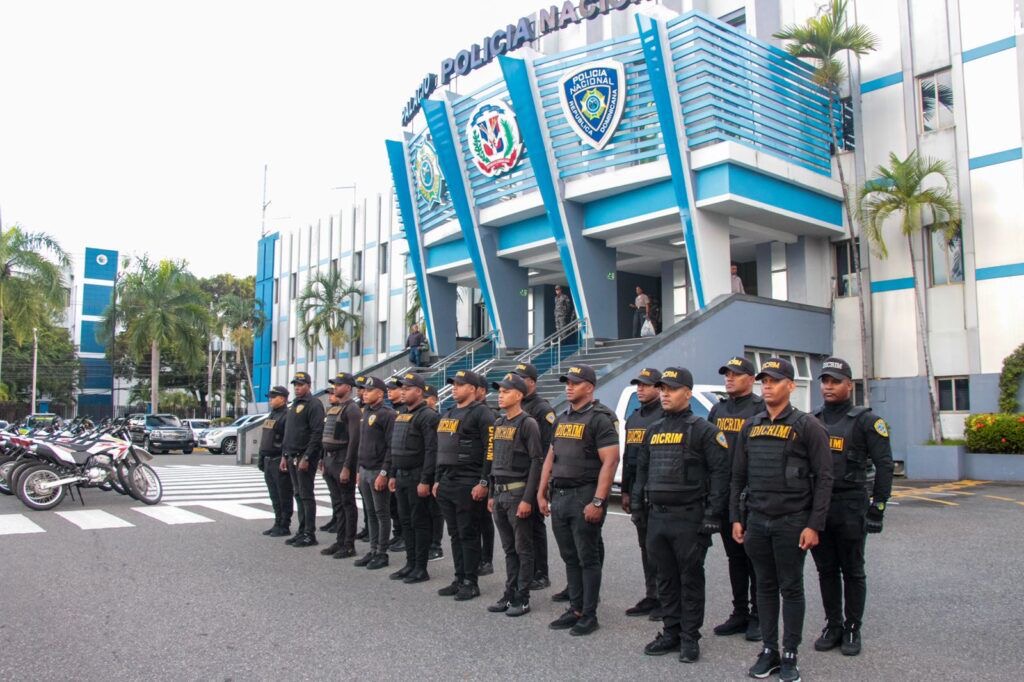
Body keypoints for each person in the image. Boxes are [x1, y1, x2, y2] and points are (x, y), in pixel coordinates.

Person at [730, 358, 833, 682]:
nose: (768, 386)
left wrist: (814, 525)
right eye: (765, 381)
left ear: (790, 386)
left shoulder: (808, 425)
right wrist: (736, 518)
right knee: (764, 586)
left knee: (791, 587)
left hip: (792, 521)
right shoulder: (751, 425)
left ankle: (790, 654)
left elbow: (825, 478)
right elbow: (738, 477)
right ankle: (769, 650)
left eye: (774, 381)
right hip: (757, 520)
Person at [635, 367, 730, 663]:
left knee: (690, 580)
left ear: (687, 393)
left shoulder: (704, 430)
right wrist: (638, 508)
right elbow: (642, 472)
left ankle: (690, 637)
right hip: (657, 518)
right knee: (665, 579)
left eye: (671, 389)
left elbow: (720, 474)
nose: (665, 394)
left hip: (689, 518)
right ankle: (670, 632)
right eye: (662, 389)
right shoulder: (653, 431)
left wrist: (713, 514)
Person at [810, 357, 894, 657]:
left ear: (849, 385)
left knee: (853, 570)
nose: (828, 387)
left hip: (850, 505)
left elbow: (885, 466)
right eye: (825, 381)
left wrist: (878, 508)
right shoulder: (812, 419)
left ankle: (852, 627)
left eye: (835, 382)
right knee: (826, 570)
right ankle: (833, 625)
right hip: (820, 507)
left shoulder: (867, 421)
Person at [537, 364, 619, 636]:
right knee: (570, 557)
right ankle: (575, 608)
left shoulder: (601, 418)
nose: (569, 387)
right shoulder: (562, 418)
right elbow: (551, 456)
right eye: (567, 382)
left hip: (584, 494)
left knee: (587, 557)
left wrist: (598, 501)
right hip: (560, 495)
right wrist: (541, 491)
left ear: (590, 387)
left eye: (575, 382)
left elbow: (610, 461)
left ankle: (589, 614)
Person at [708, 356, 764, 641]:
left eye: (736, 374)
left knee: (755, 558)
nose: (729, 378)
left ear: (751, 379)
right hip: (724, 493)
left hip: (751, 495)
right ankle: (739, 612)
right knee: (735, 558)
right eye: (726, 374)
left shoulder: (760, 408)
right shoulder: (717, 410)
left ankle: (759, 616)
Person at [433, 370, 495, 602]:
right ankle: (459, 578)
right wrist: (437, 479)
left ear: (472, 388)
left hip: (469, 481)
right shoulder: (449, 413)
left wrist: (484, 481)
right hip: (448, 481)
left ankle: (470, 581)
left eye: (459, 384)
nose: (454, 388)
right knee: (454, 534)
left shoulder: (482, 413)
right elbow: (441, 448)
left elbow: (491, 449)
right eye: (453, 384)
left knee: (468, 533)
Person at [486, 373, 544, 617]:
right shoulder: (499, 423)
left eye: (506, 391)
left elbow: (536, 462)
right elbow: (494, 461)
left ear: (519, 395)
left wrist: (528, 499)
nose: (500, 395)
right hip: (499, 494)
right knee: (509, 549)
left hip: (517, 493)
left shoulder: (528, 423)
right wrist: (491, 493)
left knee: (523, 548)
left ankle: (522, 596)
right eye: (499, 391)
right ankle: (509, 594)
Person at [387, 371, 441, 584]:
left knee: (419, 522)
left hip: (417, 476)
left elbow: (431, 450)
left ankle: (420, 567)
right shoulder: (402, 414)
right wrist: (392, 474)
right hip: (401, 475)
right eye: (402, 388)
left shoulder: (428, 416)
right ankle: (410, 564)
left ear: (419, 392)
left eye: (407, 388)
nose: (402, 392)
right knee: (406, 521)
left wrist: (425, 480)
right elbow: (396, 446)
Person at [621, 368, 664, 619]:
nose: (640, 389)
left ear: (659, 388)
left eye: (646, 385)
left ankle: (665, 599)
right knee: (645, 547)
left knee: (660, 549)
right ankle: (652, 594)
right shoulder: (634, 417)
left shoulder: (664, 416)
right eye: (638, 385)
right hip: (637, 491)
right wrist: (625, 491)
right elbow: (629, 457)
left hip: (656, 491)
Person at [511, 362, 556, 592]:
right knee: (522, 528)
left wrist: (542, 483)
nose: (517, 381)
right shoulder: (517, 405)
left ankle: (541, 573)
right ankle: (526, 570)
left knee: (535, 526)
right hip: (518, 475)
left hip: (534, 474)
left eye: (521, 378)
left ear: (532, 382)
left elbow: (547, 447)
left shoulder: (541, 409)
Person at [354, 376, 397, 570]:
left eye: (369, 390)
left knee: (381, 513)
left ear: (380, 394)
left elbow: (390, 446)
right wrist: (358, 469)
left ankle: (381, 552)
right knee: (370, 512)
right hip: (364, 469)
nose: (365, 393)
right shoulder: (365, 412)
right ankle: (372, 549)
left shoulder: (387, 414)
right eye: (364, 390)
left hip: (378, 470)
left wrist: (384, 472)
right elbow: (361, 444)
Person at [319, 372, 362, 559]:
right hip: (330, 460)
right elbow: (326, 436)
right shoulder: (335, 408)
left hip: (342, 460)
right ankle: (340, 540)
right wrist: (323, 459)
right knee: (337, 504)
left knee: (347, 503)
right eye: (334, 384)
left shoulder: (352, 410)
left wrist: (347, 466)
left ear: (348, 388)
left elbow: (354, 441)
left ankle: (349, 544)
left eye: (339, 384)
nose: (335, 387)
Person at [281, 371, 326, 548]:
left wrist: (307, 456)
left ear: (309, 385)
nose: (297, 388)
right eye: (295, 385)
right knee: (298, 494)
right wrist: (285, 455)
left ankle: (309, 533)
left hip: (304, 456)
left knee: (306, 495)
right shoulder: (294, 404)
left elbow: (317, 433)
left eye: (301, 385)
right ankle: (301, 530)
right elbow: (289, 432)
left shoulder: (314, 404)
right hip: (292, 455)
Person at [258, 385, 293, 537]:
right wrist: (261, 457)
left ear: (283, 399)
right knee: (274, 495)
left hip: (279, 459)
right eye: (270, 397)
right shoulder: (272, 415)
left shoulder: (287, 415)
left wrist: (285, 456)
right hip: (268, 459)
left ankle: (284, 525)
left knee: (283, 494)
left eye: (274, 397)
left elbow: (287, 439)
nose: (270, 400)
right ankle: (277, 522)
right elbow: (266, 438)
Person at [475, 380, 496, 577]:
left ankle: (486, 559)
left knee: (483, 519)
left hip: (483, 473)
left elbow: (489, 450)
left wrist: (485, 480)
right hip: (468, 475)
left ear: (481, 390)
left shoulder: (488, 414)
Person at [423, 383, 445, 561]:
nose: (423, 401)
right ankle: (426, 542)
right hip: (422, 467)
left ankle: (436, 545)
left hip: (435, 468)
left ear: (434, 400)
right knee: (423, 511)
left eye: (426, 398)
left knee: (435, 510)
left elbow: (438, 447)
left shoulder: (437, 418)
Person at [385, 377, 406, 553]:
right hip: (394, 462)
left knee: (402, 507)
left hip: (406, 466)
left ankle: (404, 536)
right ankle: (398, 533)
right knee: (393, 504)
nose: (389, 392)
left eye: (394, 389)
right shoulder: (392, 410)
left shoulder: (405, 411)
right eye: (389, 389)